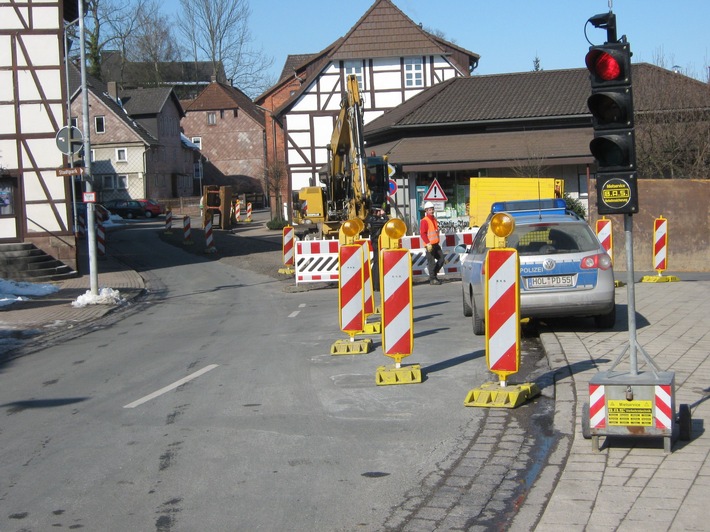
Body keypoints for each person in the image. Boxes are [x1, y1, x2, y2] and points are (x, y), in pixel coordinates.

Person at [420, 201, 445, 285]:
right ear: (426, 211)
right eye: (430, 210)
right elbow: (423, 234)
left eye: (432, 209)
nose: (432, 211)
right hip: (429, 245)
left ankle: (433, 275)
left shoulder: (434, 219)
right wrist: (427, 243)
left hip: (436, 244)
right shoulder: (424, 221)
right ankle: (432, 279)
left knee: (441, 259)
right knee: (432, 263)